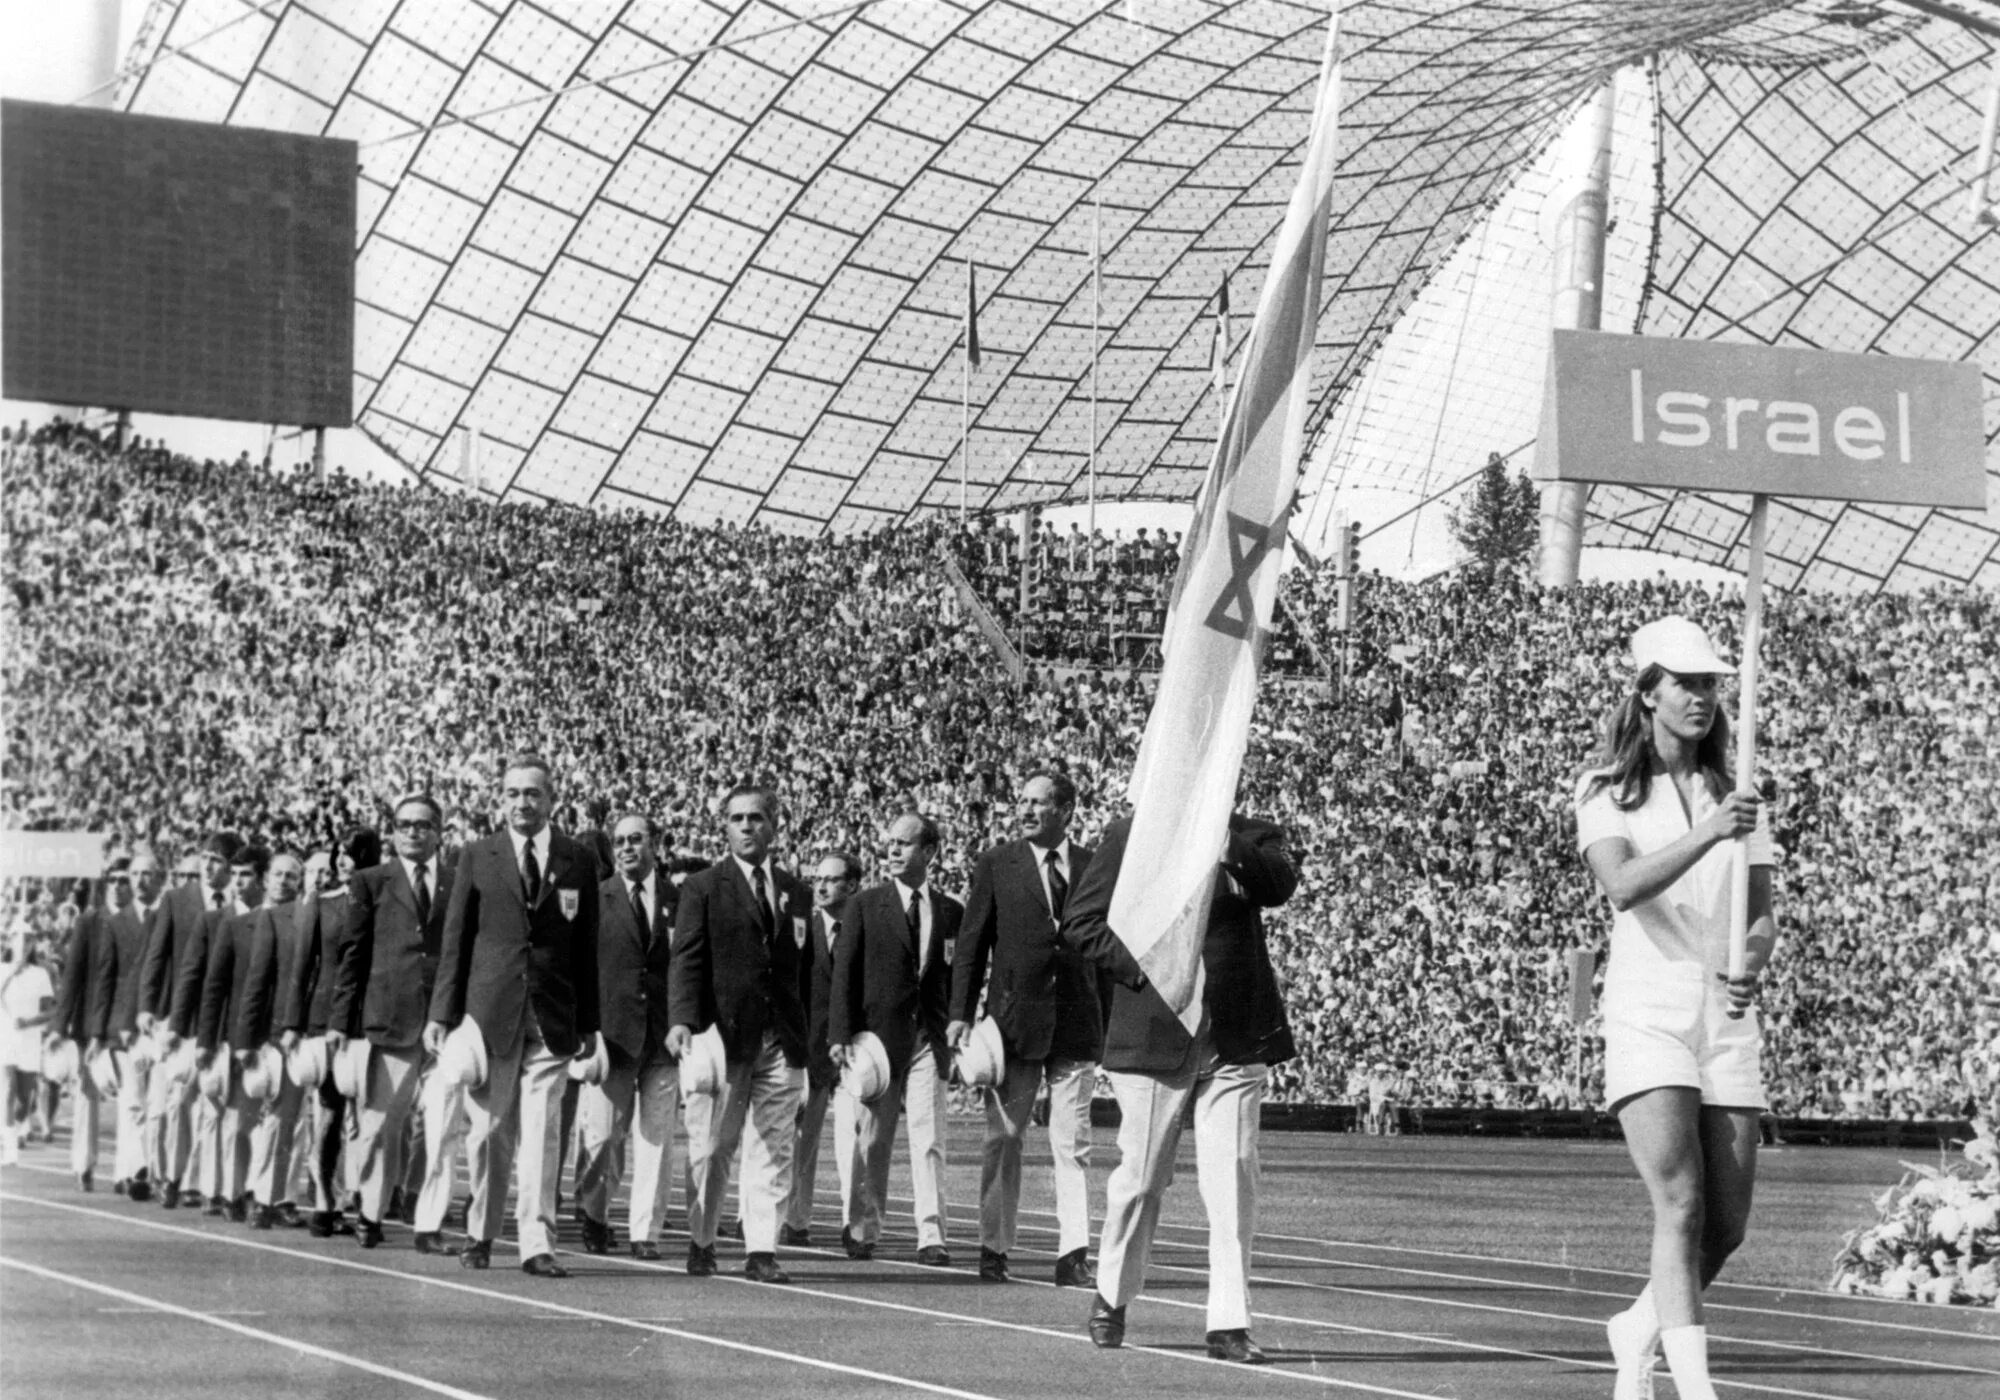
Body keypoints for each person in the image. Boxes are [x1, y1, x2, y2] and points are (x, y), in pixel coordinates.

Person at [1575, 617, 1777, 1400]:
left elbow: (1758, 916)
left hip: (1724, 1019)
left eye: (1710, 685)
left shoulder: (1739, 797)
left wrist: (1749, 964)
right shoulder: (1605, 790)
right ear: (1648, 692)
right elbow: (1623, 886)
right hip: (1647, 1010)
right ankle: (1695, 1389)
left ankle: (1638, 1325)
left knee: (1724, 1229)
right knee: (1681, 1203)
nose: (1702, 698)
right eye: (1686, 683)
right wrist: (1711, 833)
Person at [1062, 808, 1300, 1365]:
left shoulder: (1251, 832)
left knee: (1235, 1177)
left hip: (1235, 1034)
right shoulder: (1131, 832)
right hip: (1154, 1030)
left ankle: (1229, 1322)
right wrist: (1148, 971)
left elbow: (1279, 884)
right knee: (1143, 1178)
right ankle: (1112, 1296)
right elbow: (1082, 922)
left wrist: (1224, 839)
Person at [427, 756, 600, 1277]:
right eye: (512, 793)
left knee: (544, 1133)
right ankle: (481, 1231)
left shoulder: (578, 859)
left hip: (551, 1013)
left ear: (552, 799)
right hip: (491, 1012)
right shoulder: (478, 856)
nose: (522, 802)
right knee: (490, 1131)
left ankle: (536, 1243)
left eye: (532, 793)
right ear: (499, 800)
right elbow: (455, 940)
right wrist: (443, 1011)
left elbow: (586, 946)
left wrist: (589, 1022)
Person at [949, 771, 1102, 1286]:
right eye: (1022, 801)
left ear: (1066, 811)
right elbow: (972, 943)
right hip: (1013, 1026)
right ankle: (994, 1247)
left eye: (1039, 803)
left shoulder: (1092, 866)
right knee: (1006, 1137)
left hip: (1078, 1023)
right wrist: (958, 1014)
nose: (1026, 810)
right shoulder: (998, 864)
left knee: (1072, 1142)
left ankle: (1073, 1254)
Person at [667, 783, 812, 1284]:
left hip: (781, 1038)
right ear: (725, 826)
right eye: (737, 818)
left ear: (775, 824)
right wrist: (682, 1020)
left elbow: (804, 968)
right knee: (713, 1146)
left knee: (775, 1146)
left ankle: (761, 1249)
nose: (747, 826)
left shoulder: (795, 890)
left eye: (756, 817)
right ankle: (702, 1239)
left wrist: (807, 1035)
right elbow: (686, 957)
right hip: (724, 1036)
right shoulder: (703, 887)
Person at [829, 812, 961, 1267]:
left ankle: (932, 1236)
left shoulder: (949, 911)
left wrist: (957, 1024)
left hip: (929, 1037)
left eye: (904, 844)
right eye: (890, 843)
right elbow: (843, 974)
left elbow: (955, 977)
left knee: (929, 1138)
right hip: (877, 1044)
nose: (893, 850)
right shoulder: (865, 905)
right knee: (873, 1139)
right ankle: (863, 1228)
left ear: (928, 852)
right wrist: (840, 1034)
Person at [335, 795, 458, 1253]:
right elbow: (353, 954)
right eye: (405, 825)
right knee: (382, 1125)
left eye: (423, 825)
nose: (413, 832)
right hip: (389, 1023)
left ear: (439, 831)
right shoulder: (371, 882)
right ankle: (370, 1210)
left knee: (441, 1126)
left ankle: (427, 1220)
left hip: (444, 1021)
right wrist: (341, 1026)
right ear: (392, 832)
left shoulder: (455, 881)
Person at [572, 811, 679, 1260]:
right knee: (602, 1137)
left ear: (655, 843)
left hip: (663, 1038)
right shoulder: (597, 899)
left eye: (637, 839)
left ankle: (644, 1233)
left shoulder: (681, 899)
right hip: (611, 1038)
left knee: (656, 1138)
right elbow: (580, 970)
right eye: (620, 842)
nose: (628, 848)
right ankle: (594, 1215)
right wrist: (585, 1030)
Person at [139, 830, 239, 1207]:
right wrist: (149, 1006)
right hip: (181, 1015)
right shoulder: (177, 901)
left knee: (214, 1104)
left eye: (218, 861)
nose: (208, 866)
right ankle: (172, 1175)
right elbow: (156, 955)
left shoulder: (241, 905)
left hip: (221, 1019)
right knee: (178, 1101)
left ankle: (203, 1183)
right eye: (206, 858)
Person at [784, 850, 861, 1248]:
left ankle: (854, 1223)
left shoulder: (864, 931)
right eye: (818, 878)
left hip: (852, 1050)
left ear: (851, 885)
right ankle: (796, 1220)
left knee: (853, 1138)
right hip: (811, 1049)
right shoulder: (802, 932)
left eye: (831, 879)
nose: (821, 885)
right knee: (802, 1139)